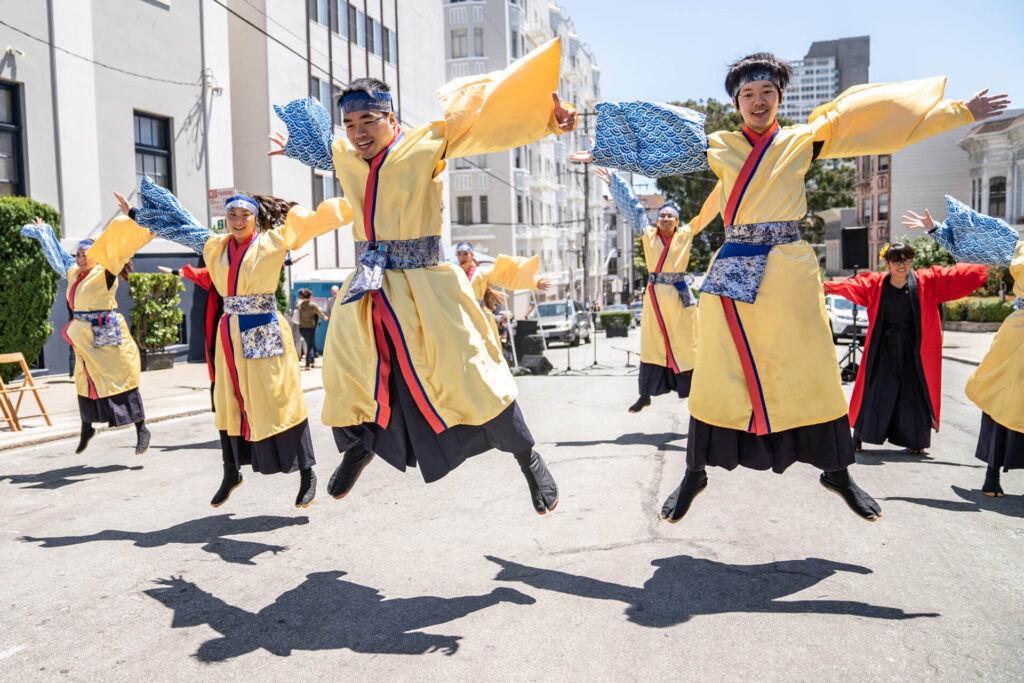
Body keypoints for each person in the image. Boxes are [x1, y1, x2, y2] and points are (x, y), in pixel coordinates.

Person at [574, 52, 1009, 523]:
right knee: (719, 371)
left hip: (789, 268)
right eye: (747, 94)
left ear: (780, 97)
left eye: (767, 92)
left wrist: (959, 112)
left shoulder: (805, 139)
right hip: (735, 265)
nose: (757, 101)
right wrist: (598, 145)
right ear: (736, 103)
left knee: (815, 367)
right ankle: (695, 470)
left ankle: (837, 470)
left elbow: (875, 120)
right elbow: (654, 140)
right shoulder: (719, 145)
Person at [269, 38, 576, 514]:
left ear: (391, 117)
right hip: (370, 287)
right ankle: (360, 448)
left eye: (368, 120)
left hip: (427, 285)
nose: (358, 132)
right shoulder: (346, 154)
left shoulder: (426, 143)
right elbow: (327, 151)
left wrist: (548, 120)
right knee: (348, 370)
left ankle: (527, 457)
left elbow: (486, 123)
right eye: (349, 123)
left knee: (471, 373)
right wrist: (297, 148)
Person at [119, 182, 351, 508]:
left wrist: (361, 198)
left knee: (279, 398)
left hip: (263, 327)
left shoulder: (273, 240)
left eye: (245, 215)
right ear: (225, 218)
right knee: (227, 401)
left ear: (255, 219)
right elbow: (180, 228)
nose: (238, 221)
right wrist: (134, 214)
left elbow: (315, 221)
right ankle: (231, 471)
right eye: (232, 215)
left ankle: (306, 472)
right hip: (229, 334)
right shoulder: (215, 245)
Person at [902, 196, 1023, 497]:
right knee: (1002, 399)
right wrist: (935, 229)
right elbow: (977, 241)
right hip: (1019, 338)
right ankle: (992, 473)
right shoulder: (1019, 247)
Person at [823, 242, 986, 453]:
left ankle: (915, 442)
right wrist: (827, 286)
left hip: (913, 349)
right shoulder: (876, 283)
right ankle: (859, 436)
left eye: (906, 260)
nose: (902, 265)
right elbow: (852, 286)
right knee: (875, 390)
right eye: (897, 261)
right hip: (883, 349)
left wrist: (983, 265)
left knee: (913, 393)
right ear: (888, 263)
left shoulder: (925, 281)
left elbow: (952, 277)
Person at [21, 217, 152, 455]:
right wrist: (44, 232)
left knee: (120, 379)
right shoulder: (74, 272)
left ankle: (141, 428)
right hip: (83, 336)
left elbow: (122, 247)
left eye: (85, 255)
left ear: (97, 256)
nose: (80, 259)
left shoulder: (106, 271)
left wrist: (143, 223)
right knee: (85, 381)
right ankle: (87, 427)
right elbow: (58, 256)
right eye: (78, 255)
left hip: (105, 332)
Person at [597, 167, 720, 412]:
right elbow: (634, 208)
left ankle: (697, 394)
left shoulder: (686, 234)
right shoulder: (648, 234)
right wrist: (615, 183)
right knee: (652, 345)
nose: (665, 218)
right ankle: (645, 394)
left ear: (677, 222)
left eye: (670, 216)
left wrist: (724, 182)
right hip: (655, 298)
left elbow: (707, 212)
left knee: (688, 343)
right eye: (662, 215)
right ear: (657, 220)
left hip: (680, 298)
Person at [455, 241, 552, 354]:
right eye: (459, 254)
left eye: (465, 254)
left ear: (472, 255)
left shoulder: (482, 272)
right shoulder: (453, 273)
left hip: (479, 315)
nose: (462, 257)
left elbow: (508, 278)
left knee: (483, 349)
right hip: (460, 315)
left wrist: (535, 282)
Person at [296, 288, 328, 369]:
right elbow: (320, 313)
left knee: (309, 344)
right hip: (310, 328)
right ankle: (307, 364)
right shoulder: (313, 305)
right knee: (310, 346)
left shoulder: (300, 304)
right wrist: (325, 317)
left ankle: (312, 361)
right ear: (310, 296)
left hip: (301, 328)